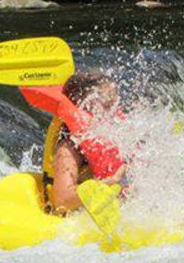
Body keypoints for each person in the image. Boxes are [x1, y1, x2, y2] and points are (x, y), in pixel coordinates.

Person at [49, 71, 127, 212]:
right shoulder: (68, 149)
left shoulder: (121, 137)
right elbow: (63, 202)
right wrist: (110, 182)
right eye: (107, 106)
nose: (114, 113)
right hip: (80, 215)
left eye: (115, 105)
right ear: (83, 108)